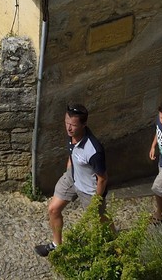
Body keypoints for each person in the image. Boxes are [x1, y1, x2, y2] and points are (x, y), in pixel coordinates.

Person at [34, 102, 107, 257]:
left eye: (73, 125)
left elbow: (102, 179)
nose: (68, 128)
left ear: (84, 125)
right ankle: (56, 245)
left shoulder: (94, 150)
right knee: (53, 209)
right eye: (66, 123)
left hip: (89, 189)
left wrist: (97, 201)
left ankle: (113, 244)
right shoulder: (71, 135)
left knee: (101, 221)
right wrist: (69, 169)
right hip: (71, 178)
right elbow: (71, 152)